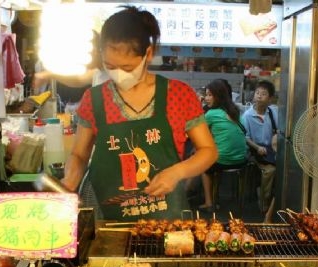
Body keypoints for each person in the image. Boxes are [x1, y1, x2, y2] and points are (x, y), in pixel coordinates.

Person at [61, 6, 217, 220]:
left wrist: (177, 172)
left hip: (167, 219)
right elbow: (79, 154)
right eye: (109, 65)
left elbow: (208, 151)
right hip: (109, 220)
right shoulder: (94, 99)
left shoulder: (179, 94)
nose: (118, 74)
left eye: (127, 67)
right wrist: (69, 181)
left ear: (149, 54)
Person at [198, 79, 248, 212]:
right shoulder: (234, 111)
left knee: (204, 166)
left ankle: (209, 202)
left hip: (224, 160)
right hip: (241, 160)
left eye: (210, 95)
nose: (207, 98)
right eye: (206, 94)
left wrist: (198, 105)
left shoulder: (211, 114)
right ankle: (216, 199)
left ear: (218, 96)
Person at [242, 79, 278, 216]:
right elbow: (245, 138)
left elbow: (278, 131)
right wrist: (257, 147)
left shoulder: (273, 112)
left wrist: (275, 139)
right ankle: (264, 204)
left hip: (271, 149)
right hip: (254, 151)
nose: (259, 96)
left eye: (263, 94)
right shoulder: (247, 116)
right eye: (257, 93)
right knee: (270, 170)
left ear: (270, 98)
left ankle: (276, 202)